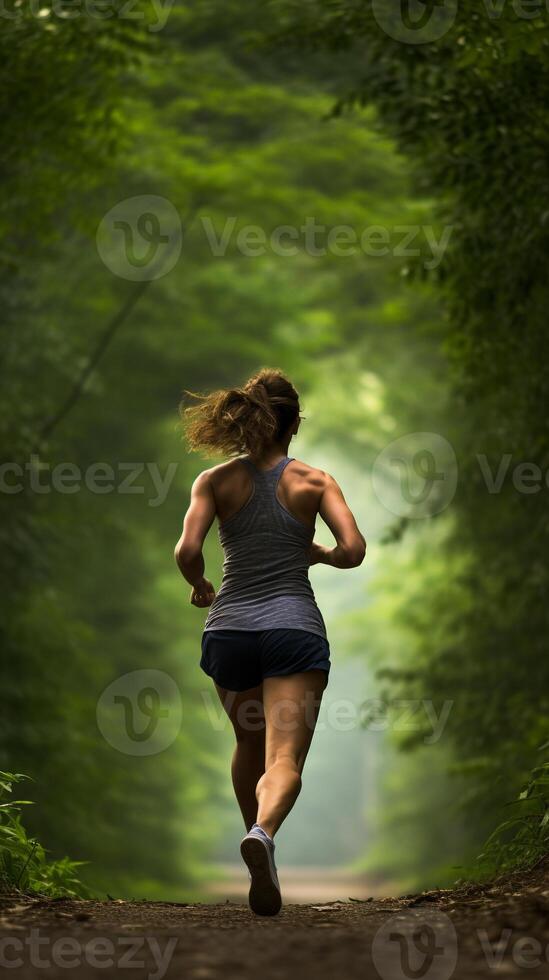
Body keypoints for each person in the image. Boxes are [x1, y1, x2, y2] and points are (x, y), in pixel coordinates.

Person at [174, 368, 366, 916]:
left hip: (229, 630)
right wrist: (320, 555)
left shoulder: (214, 481)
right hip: (293, 631)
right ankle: (263, 833)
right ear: (294, 423)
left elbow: (187, 551)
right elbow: (353, 549)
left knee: (247, 745)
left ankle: (259, 845)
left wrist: (200, 585)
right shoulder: (315, 481)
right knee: (285, 757)